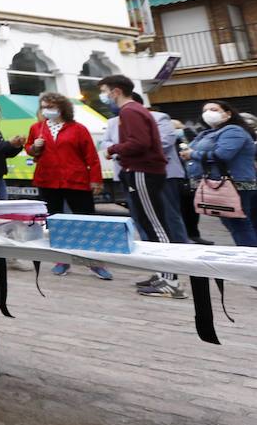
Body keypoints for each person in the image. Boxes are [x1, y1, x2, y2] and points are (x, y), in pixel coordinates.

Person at [99, 75, 183, 298]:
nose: (104, 96)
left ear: (116, 91)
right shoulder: (132, 111)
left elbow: (139, 143)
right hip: (141, 170)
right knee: (148, 222)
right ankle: (162, 274)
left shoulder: (130, 111)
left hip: (143, 171)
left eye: (105, 91)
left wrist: (113, 149)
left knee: (156, 225)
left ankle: (171, 280)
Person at [26, 92, 111, 280]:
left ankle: (94, 261)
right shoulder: (37, 128)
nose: (47, 110)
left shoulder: (78, 129)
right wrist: (34, 147)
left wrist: (96, 179)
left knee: (86, 220)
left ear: (62, 108)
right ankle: (62, 259)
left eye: (51, 106)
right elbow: (31, 151)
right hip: (48, 180)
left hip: (76, 180)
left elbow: (91, 156)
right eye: (44, 107)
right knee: (55, 221)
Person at [182, 100, 257, 247]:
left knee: (239, 225)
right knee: (240, 224)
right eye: (205, 110)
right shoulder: (207, 133)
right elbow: (188, 150)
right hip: (224, 185)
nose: (208, 113)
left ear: (227, 113)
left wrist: (193, 155)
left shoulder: (233, 131)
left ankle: (251, 260)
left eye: (214, 109)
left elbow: (222, 155)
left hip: (236, 185)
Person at [174, 120, 213, 244]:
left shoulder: (187, 141)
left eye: (180, 128)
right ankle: (184, 236)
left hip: (189, 177)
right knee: (181, 208)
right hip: (175, 177)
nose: (179, 131)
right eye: (176, 129)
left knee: (191, 207)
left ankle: (193, 234)